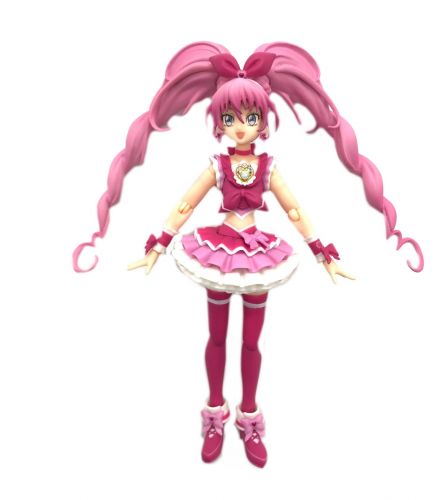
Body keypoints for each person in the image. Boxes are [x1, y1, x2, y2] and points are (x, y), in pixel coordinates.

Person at [73, 42, 423, 468]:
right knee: (217, 336)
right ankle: (215, 412)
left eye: (251, 118)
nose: (241, 127)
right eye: (231, 118)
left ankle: (249, 415)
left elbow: (294, 209)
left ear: (263, 121)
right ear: (219, 122)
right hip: (218, 252)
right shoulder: (217, 165)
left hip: (257, 254)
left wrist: (321, 251)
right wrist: (158, 244)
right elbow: (186, 203)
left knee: (252, 341)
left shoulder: (268, 166)